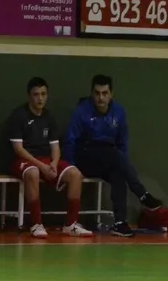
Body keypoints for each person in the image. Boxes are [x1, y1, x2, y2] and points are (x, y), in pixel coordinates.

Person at [63, 75, 162, 237]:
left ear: (111, 94)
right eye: (97, 93)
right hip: (85, 156)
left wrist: (124, 165)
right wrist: (71, 168)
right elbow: (70, 141)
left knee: (119, 171)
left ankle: (120, 223)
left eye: (104, 93)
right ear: (92, 94)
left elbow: (122, 143)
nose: (100, 98)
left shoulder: (119, 112)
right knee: (114, 157)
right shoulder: (82, 111)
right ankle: (142, 194)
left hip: (109, 158)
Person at [8, 77, 93, 238]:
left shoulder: (48, 117)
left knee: (75, 174)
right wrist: (42, 167)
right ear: (29, 96)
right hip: (24, 161)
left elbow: (55, 147)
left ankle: (71, 224)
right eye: (36, 94)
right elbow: (18, 149)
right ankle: (36, 224)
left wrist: (53, 163)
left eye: (43, 94)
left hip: (46, 160)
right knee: (33, 172)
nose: (40, 98)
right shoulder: (19, 116)